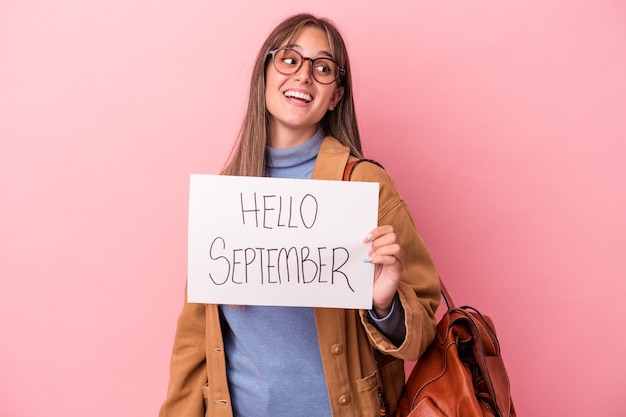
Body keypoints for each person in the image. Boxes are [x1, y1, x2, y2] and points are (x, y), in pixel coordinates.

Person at [159, 13, 440, 417]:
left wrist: (385, 305)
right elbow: (194, 338)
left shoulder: (364, 185)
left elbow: (422, 333)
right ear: (265, 72)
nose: (304, 76)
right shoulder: (226, 194)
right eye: (290, 59)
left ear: (336, 95)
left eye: (322, 68)